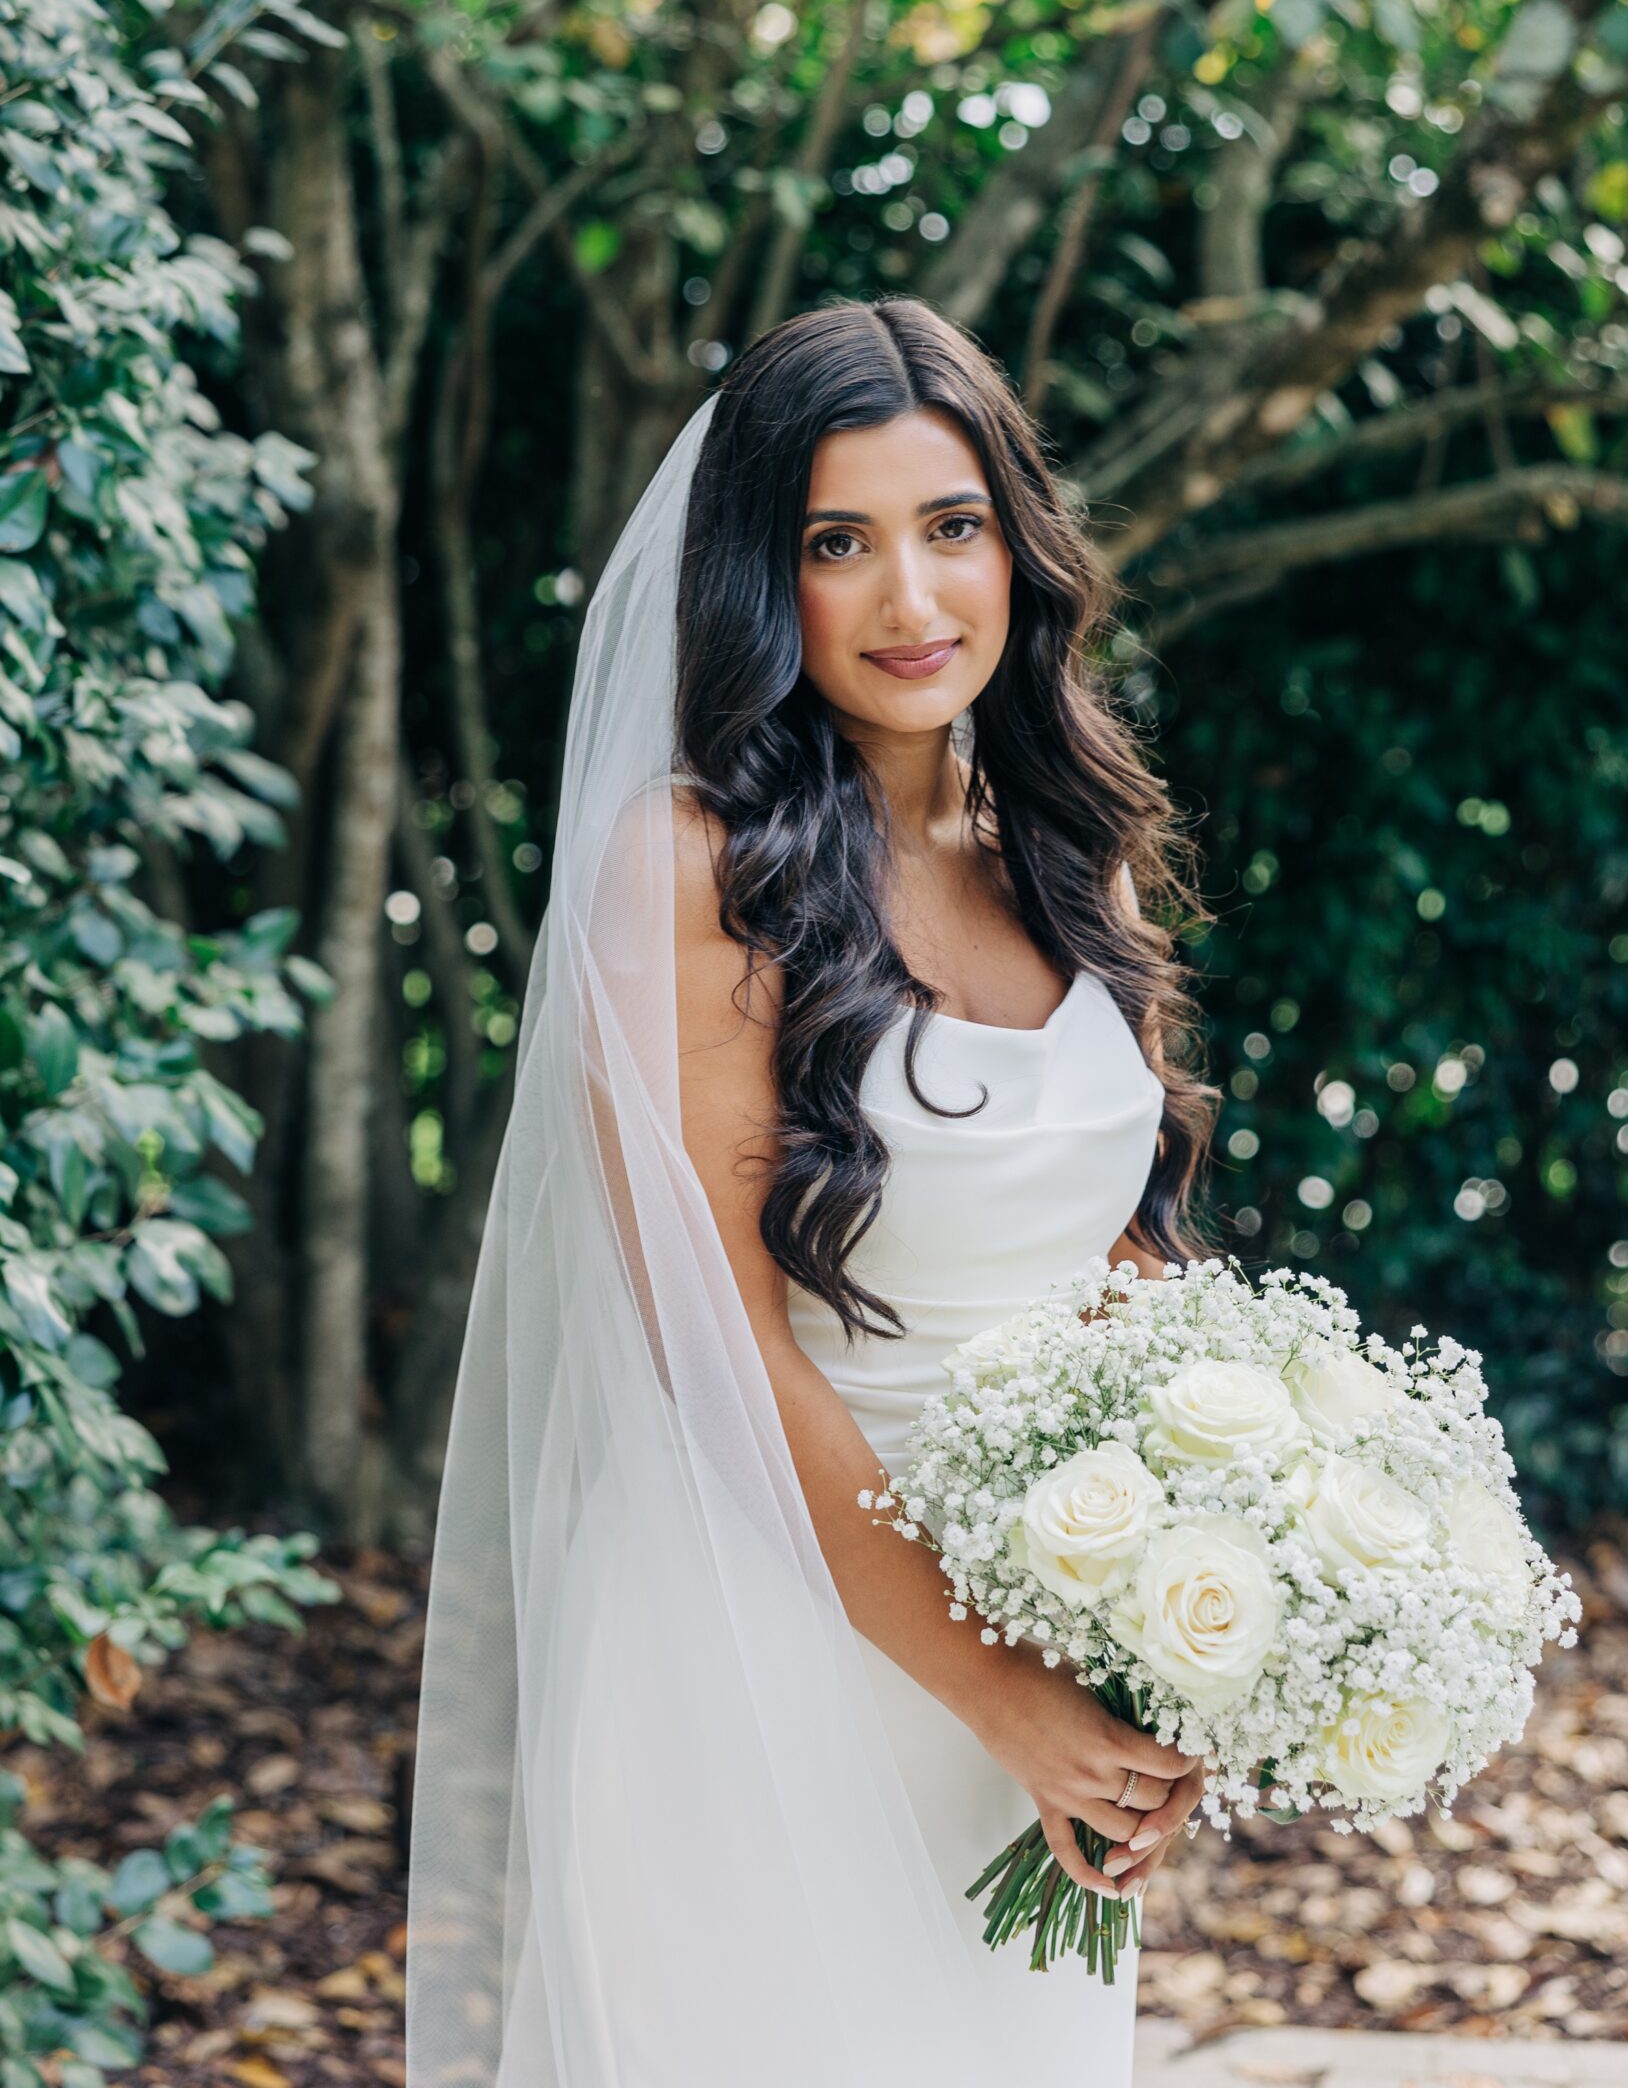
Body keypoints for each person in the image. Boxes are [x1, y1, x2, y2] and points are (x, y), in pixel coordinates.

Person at [406, 298, 1220, 2088]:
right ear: (762, 582)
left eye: (951, 528)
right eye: (836, 544)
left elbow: (1122, 1275)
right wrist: (1006, 1700)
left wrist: (1209, 1598)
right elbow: (713, 1349)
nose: (912, 601)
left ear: (1017, 545)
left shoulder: (1065, 858)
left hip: (1045, 1640)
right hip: (762, 1651)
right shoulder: (688, 867)